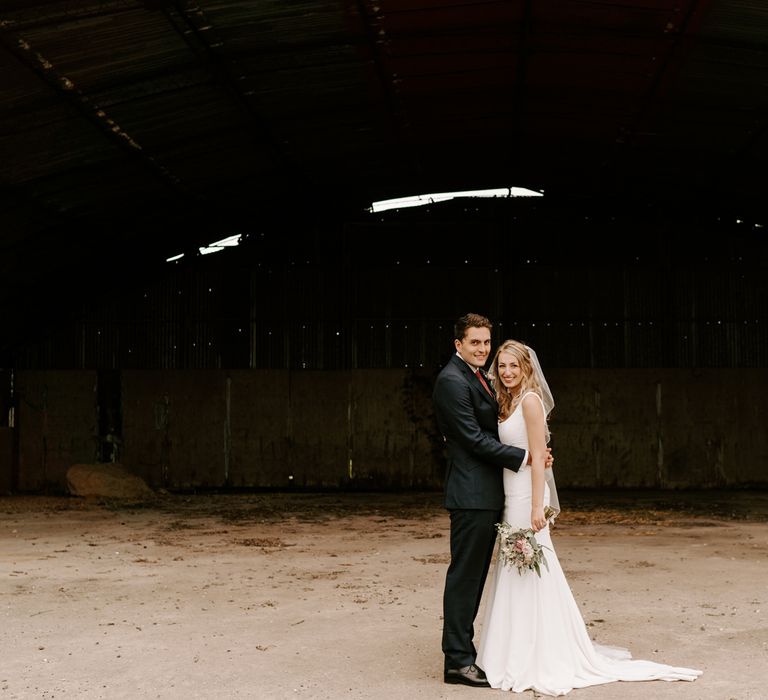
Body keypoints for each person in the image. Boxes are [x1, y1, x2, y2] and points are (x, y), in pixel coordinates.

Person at [475, 339, 703, 694]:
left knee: (531, 565)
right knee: (514, 568)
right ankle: (512, 648)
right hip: (510, 493)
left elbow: (537, 456)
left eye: (513, 366)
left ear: (527, 369)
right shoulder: (506, 401)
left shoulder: (531, 402)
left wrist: (537, 506)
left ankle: (539, 652)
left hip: (526, 496)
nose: (506, 372)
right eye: (501, 365)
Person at [431, 313, 554, 688]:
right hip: (471, 496)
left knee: (478, 577)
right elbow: (471, 438)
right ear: (458, 345)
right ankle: (457, 661)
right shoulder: (452, 381)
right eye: (475, 343)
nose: (483, 349)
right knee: (465, 578)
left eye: (487, 342)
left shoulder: (477, 376)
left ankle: (472, 652)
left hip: (489, 494)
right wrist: (525, 457)